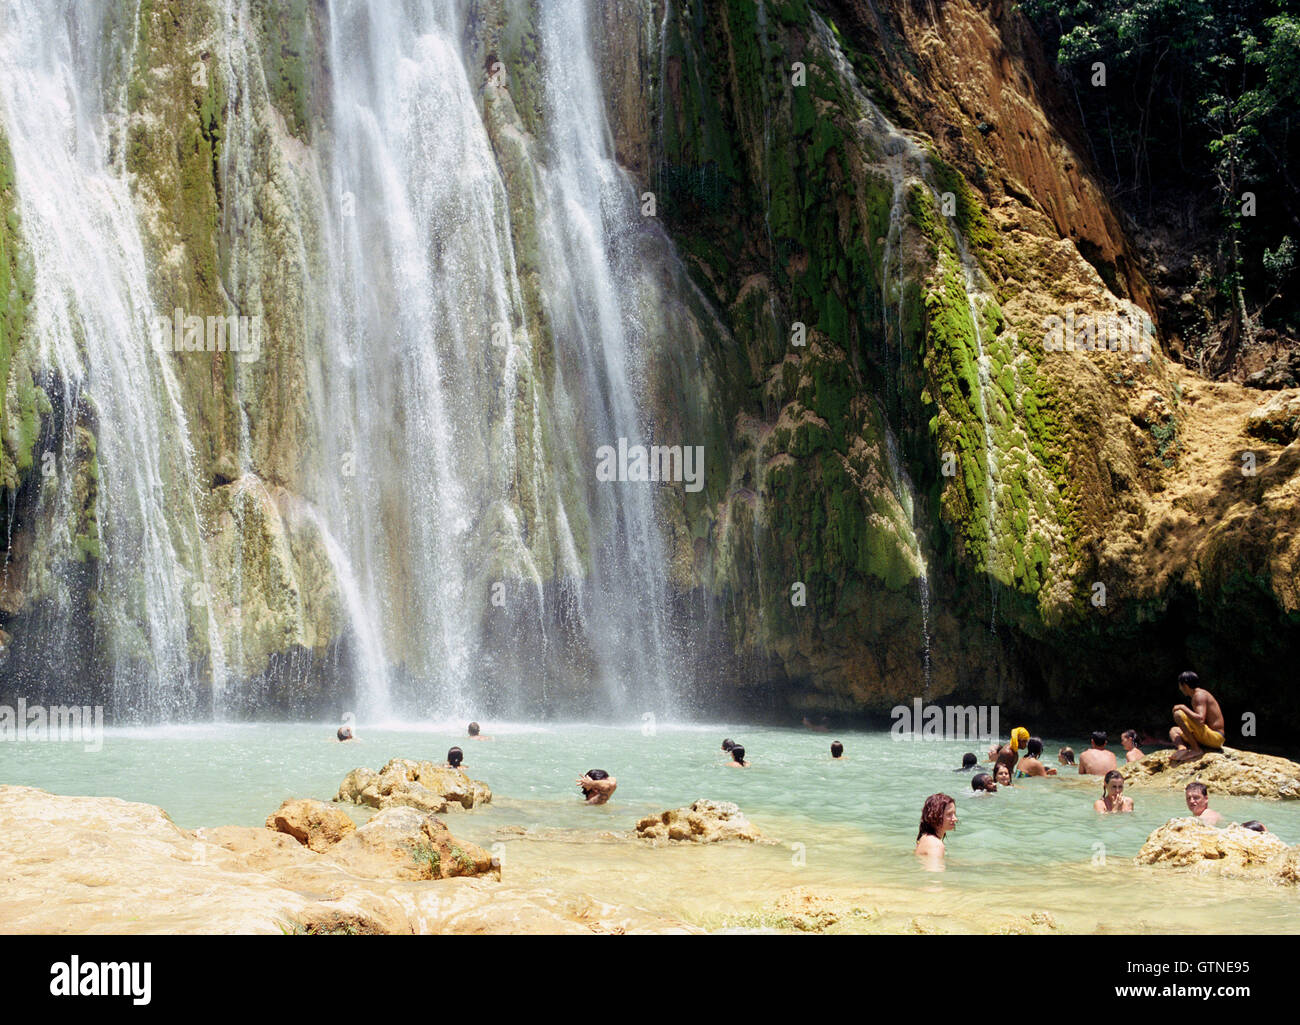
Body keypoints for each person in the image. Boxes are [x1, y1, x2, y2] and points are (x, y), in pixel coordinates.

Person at [1169, 671, 1225, 763]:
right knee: (1174, 731)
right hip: (1206, 735)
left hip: (1215, 737)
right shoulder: (1196, 695)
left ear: (1185, 685)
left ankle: (1196, 750)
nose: (1180, 688)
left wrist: (1183, 707)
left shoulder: (1199, 695)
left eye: (1180, 685)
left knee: (1178, 714)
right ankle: (1182, 749)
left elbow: (1200, 720)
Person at [915, 793, 957, 867]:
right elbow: (934, 876)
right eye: (949, 814)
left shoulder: (924, 838)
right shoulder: (936, 845)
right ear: (935, 816)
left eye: (954, 814)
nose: (955, 819)